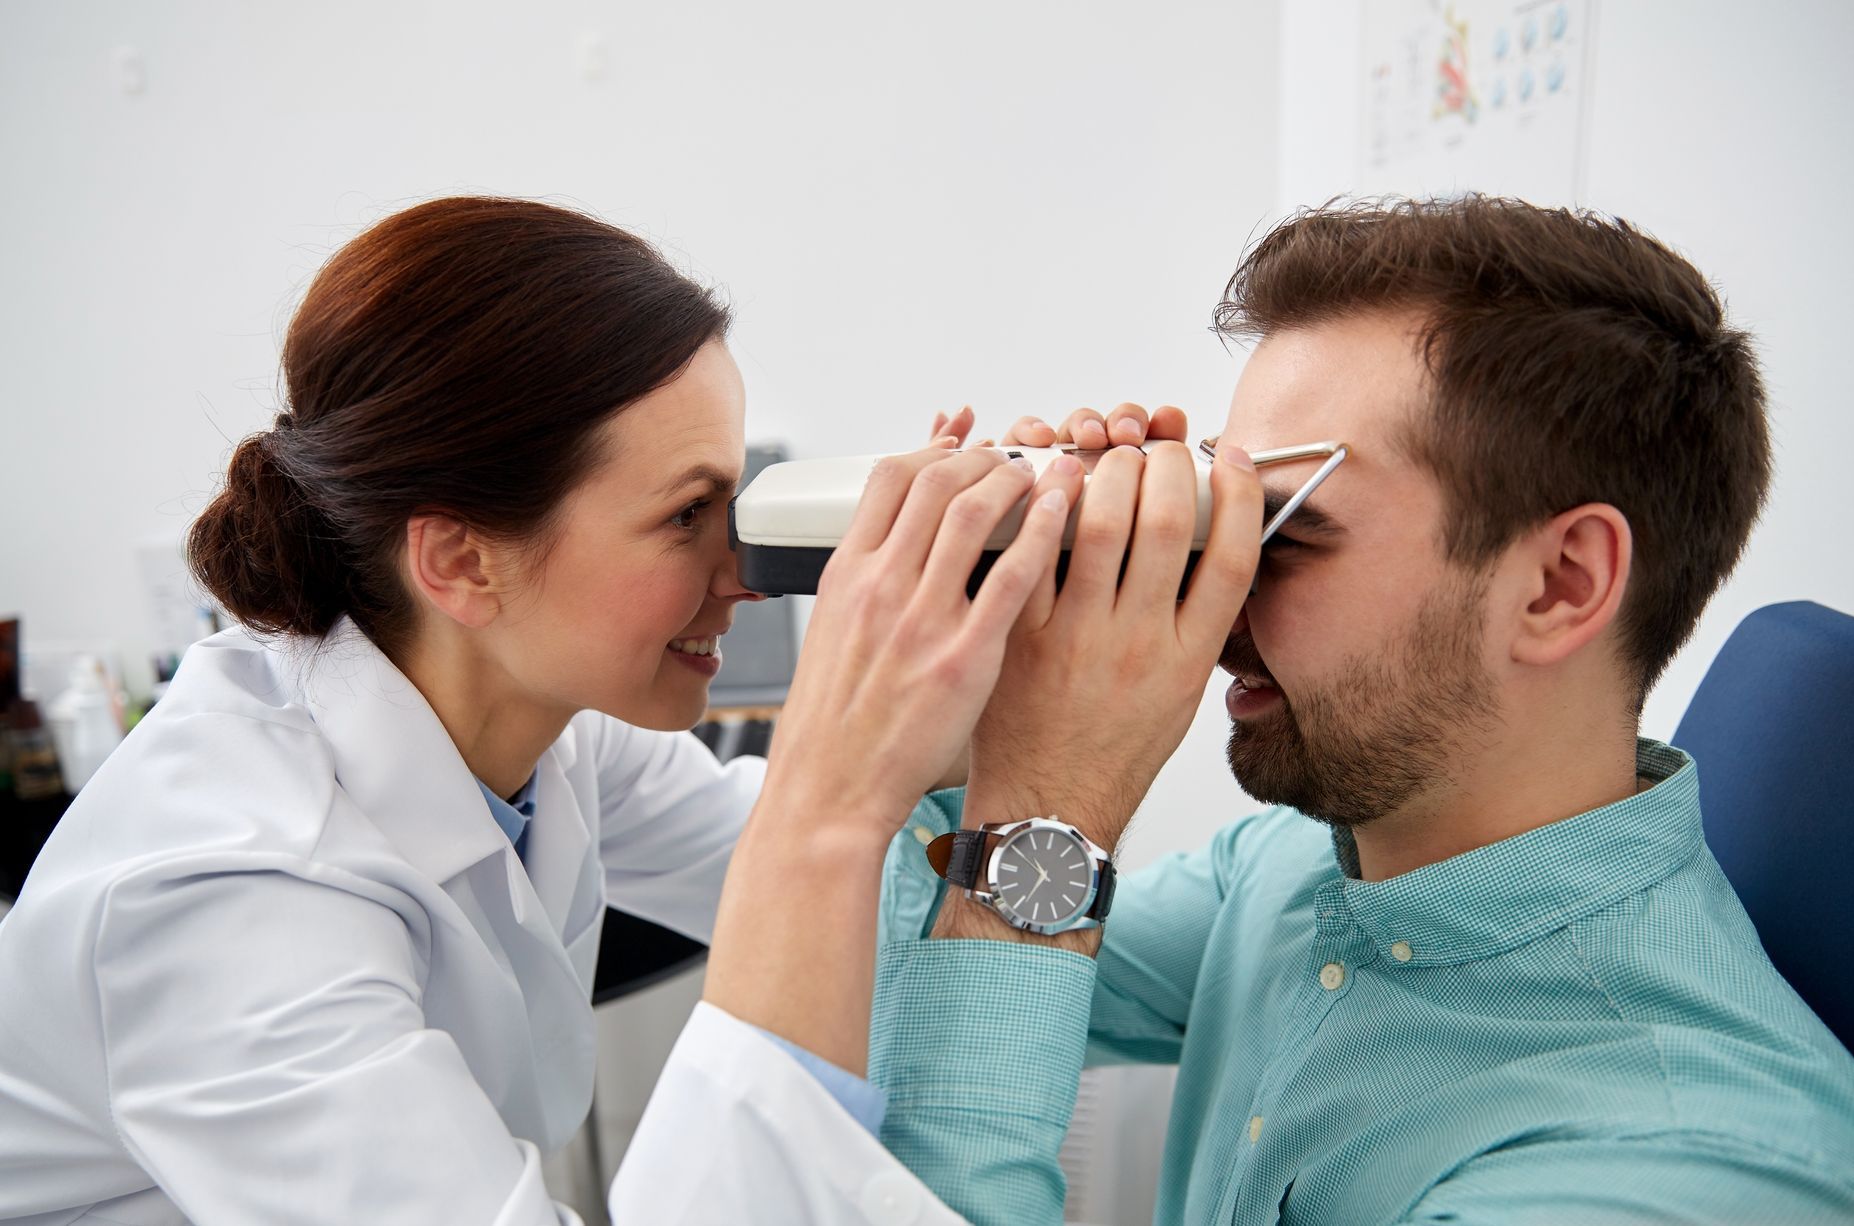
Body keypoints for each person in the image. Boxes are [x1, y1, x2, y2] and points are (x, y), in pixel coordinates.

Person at [0, 196, 1241, 1224]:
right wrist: (838, 779)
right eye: (684, 513)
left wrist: (1032, 644)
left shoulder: (547, 726)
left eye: (737, 498)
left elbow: (874, 898)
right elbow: (815, 854)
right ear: (461, 562)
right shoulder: (228, 899)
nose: (745, 571)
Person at [850, 198, 1854, 1223]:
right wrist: (979, 673)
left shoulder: (1685, 1173)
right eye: (1215, 525)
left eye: (1279, 536)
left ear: (1559, 584)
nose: (1210, 594)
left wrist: (1053, 814)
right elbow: (903, 953)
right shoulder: (1297, 869)